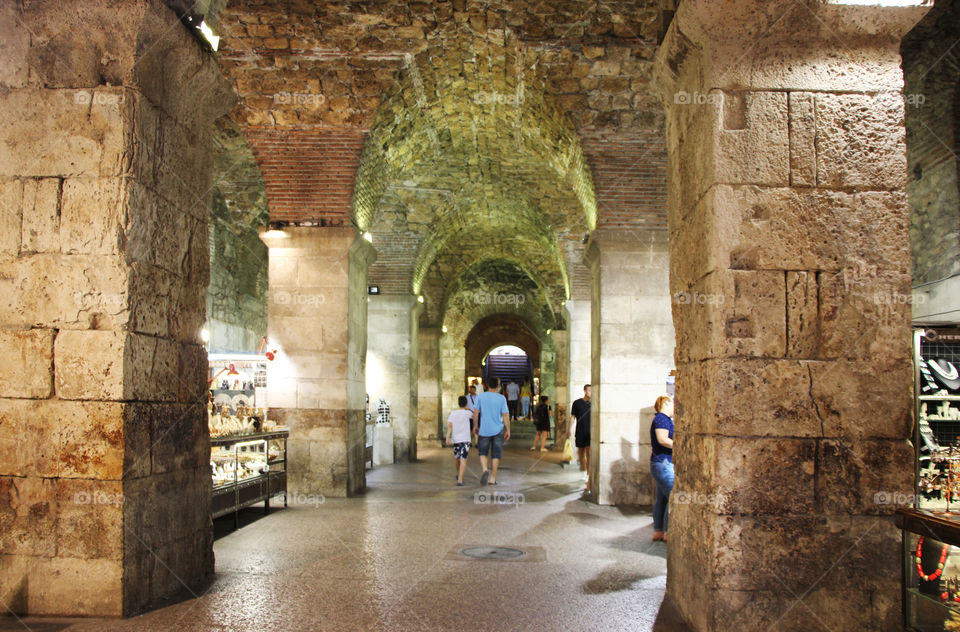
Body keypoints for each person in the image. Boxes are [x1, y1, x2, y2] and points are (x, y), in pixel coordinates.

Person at [473, 376, 510, 486]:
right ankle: (492, 479)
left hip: (484, 429)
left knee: (482, 452)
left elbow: (476, 414)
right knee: (496, 455)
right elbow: (505, 415)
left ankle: (485, 469)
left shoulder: (481, 397)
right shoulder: (501, 398)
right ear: (498, 386)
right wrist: (508, 429)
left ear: (487, 385)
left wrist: (475, 426)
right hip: (498, 430)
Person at [650, 395, 675, 542]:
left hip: (661, 463)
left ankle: (658, 531)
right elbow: (662, 439)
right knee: (673, 497)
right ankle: (667, 532)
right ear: (666, 403)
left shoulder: (663, 419)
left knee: (662, 499)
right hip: (664, 463)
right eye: (673, 404)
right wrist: (680, 445)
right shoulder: (662, 419)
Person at [446, 395, 473, 486]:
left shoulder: (453, 413)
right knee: (463, 459)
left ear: (458, 403)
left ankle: (459, 475)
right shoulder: (467, 413)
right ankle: (460, 480)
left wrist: (447, 437)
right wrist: (468, 408)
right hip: (465, 439)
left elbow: (450, 426)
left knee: (457, 458)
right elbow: (474, 414)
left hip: (456, 439)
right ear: (466, 403)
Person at [569, 384, 592, 492]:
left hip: (590, 432)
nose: (591, 392)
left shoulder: (594, 403)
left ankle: (588, 474)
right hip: (580, 430)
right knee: (581, 453)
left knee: (589, 453)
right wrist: (569, 429)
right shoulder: (577, 403)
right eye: (589, 390)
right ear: (585, 391)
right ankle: (583, 469)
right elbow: (573, 416)